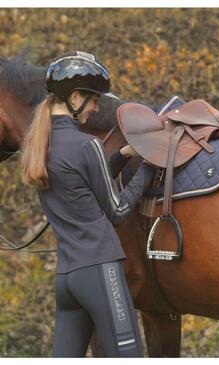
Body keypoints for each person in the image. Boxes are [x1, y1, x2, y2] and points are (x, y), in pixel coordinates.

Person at [20, 51, 156, 357]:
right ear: (76, 96)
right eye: (94, 99)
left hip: (67, 279)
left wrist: (121, 155)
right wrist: (148, 169)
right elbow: (118, 211)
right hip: (101, 271)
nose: (96, 108)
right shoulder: (87, 144)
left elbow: (81, 183)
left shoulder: (40, 145)